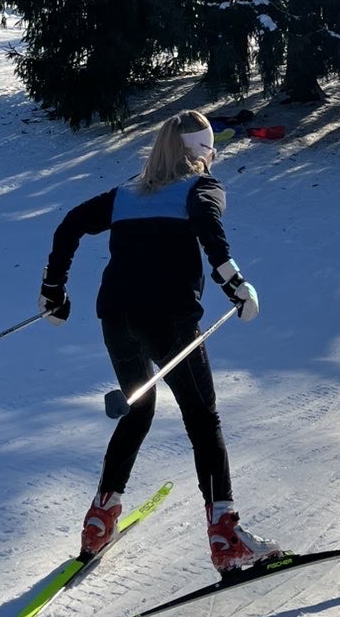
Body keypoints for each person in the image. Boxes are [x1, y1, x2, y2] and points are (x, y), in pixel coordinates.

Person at [38, 109, 280, 574]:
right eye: (211, 150)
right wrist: (236, 285)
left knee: (138, 408)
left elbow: (70, 223)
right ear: (202, 152)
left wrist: (53, 290)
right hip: (168, 321)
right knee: (203, 420)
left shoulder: (126, 193)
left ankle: (100, 519)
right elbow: (209, 230)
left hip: (116, 318)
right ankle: (226, 537)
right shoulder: (201, 188)